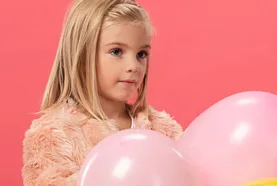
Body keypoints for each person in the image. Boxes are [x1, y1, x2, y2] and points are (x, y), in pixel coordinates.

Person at [21, 0, 184, 185]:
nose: (133, 66)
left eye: (141, 54)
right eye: (116, 51)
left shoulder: (162, 129)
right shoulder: (54, 134)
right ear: (82, 55)